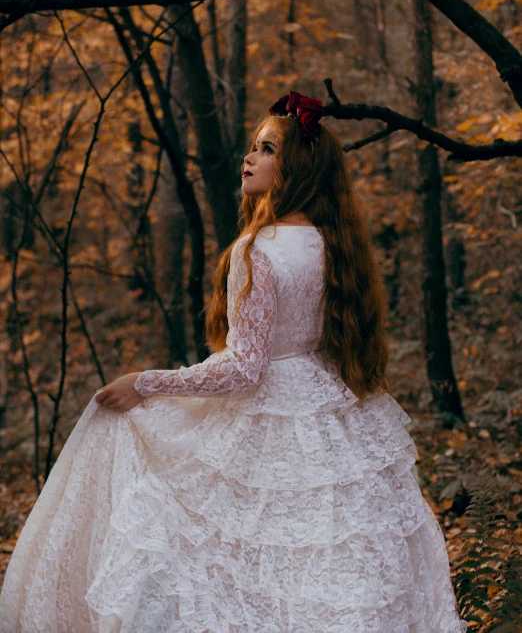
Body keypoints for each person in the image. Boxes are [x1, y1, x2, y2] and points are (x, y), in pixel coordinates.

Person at [0, 91, 468, 633]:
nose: (250, 158)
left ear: (294, 165)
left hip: (270, 412)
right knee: (321, 558)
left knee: (233, 555)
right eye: (252, 146)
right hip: (329, 410)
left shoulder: (256, 250)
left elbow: (245, 368)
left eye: (266, 149)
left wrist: (146, 384)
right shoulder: (333, 243)